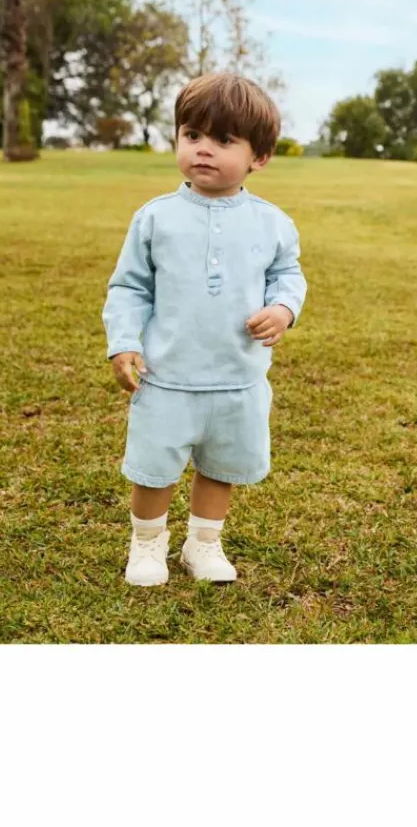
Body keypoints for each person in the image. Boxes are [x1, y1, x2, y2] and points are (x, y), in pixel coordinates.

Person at [103, 73, 306, 587]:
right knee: (154, 468)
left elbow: (288, 275)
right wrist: (124, 342)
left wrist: (283, 308)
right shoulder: (155, 218)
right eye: (192, 135)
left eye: (223, 140)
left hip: (237, 377)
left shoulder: (273, 223)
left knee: (220, 466)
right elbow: (129, 287)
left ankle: (204, 543)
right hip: (166, 375)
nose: (203, 149)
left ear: (260, 156)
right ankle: (147, 544)